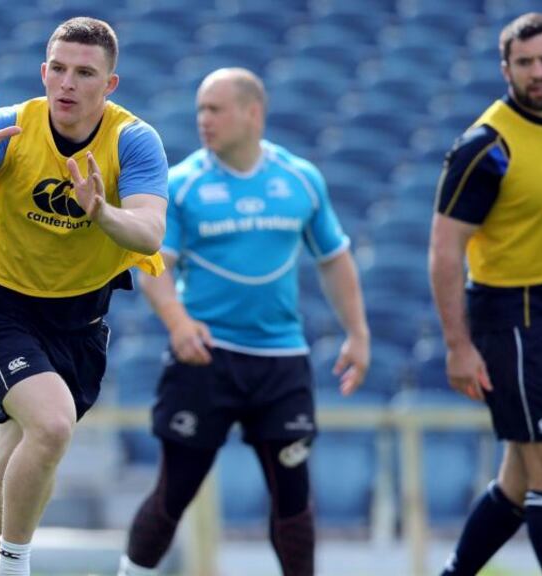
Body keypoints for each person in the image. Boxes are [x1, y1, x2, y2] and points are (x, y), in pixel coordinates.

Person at [0, 16, 168, 576]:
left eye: (84, 73)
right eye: (58, 69)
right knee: (53, 425)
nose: (67, 83)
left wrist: (102, 212)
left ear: (109, 85)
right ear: (42, 72)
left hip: (80, 326)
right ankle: (17, 566)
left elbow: (150, 233)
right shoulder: (11, 126)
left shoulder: (134, 140)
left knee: (4, 489)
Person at [117, 68, 370, 576]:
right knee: (175, 491)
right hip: (206, 358)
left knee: (293, 500)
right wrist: (178, 323)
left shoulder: (300, 178)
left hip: (281, 362)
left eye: (215, 109)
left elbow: (334, 258)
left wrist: (358, 334)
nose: (203, 120)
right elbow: (154, 267)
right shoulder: (183, 184)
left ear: (253, 113)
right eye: (200, 110)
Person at [429, 12, 542, 576]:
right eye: (524, 63)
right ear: (506, 70)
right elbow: (445, 250)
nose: (538, 72)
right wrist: (459, 347)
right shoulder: (487, 147)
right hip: (519, 319)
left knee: (520, 482)